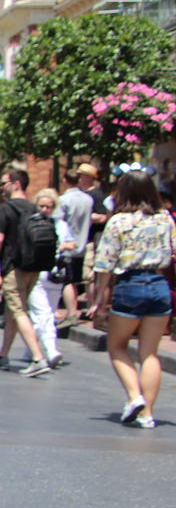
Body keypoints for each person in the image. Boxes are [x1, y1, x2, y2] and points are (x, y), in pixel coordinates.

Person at [90, 170, 174, 430]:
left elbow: (105, 262)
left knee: (116, 345)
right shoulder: (165, 219)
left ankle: (134, 395)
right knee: (150, 353)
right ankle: (147, 413)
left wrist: (99, 298)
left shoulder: (119, 222)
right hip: (159, 285)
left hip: (130, 285)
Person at [0, 168, 52, 377]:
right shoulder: (33, 208)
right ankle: (3, 355)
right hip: (33, 267)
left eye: (3, 183)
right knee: (13, 311)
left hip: (14, 267)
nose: (1, 188)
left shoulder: (6, 209)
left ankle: (38, 358)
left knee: (20, 311)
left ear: (16, 184)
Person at [23, 189, 74, 369]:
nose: (45, 209)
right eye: (42, 206)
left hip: (54, 275)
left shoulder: (61, 225)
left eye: (49, 207)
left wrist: (67, 245)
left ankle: (31, 349)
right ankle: (51, 351)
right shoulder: (29, 223)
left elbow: (72, 242)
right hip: (35, 275)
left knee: (47, 314)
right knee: (43, 314)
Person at [55, 168, 93, 326]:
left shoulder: (63, 200)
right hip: (82, 245)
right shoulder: (88, 199)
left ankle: (71, 314)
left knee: (67, 281)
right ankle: (73, 310)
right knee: (77, 281)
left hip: (67, 246)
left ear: (64, 181)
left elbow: (59, 222)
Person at [79, 162, 109, 319]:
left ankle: (95, 308)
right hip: (87, 240)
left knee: (90, 276)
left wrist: (85, 217)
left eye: (80, 175)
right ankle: (93, 307)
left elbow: (103, 216)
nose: (78, 179)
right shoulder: (84, 194)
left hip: (95, 241)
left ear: (88, 178)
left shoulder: (96, 195)